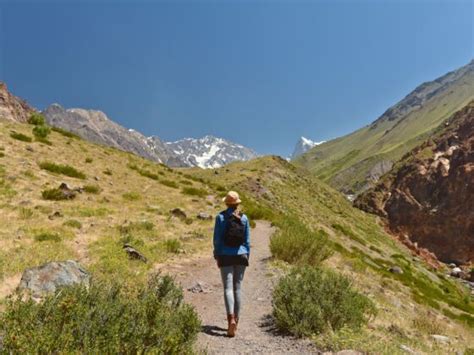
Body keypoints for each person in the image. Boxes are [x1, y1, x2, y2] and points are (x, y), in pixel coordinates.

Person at [213, 191, 250, 337]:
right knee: (237, 289)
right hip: (241, 255)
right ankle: (237, 321)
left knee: (228, 288)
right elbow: (247, 241)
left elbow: (217, 239)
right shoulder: (244, 218)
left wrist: (217, 255)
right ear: (238, 203)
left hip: (225, 255)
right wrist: (247, 256)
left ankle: (231, 320)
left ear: (226, 203)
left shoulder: (220, 217)